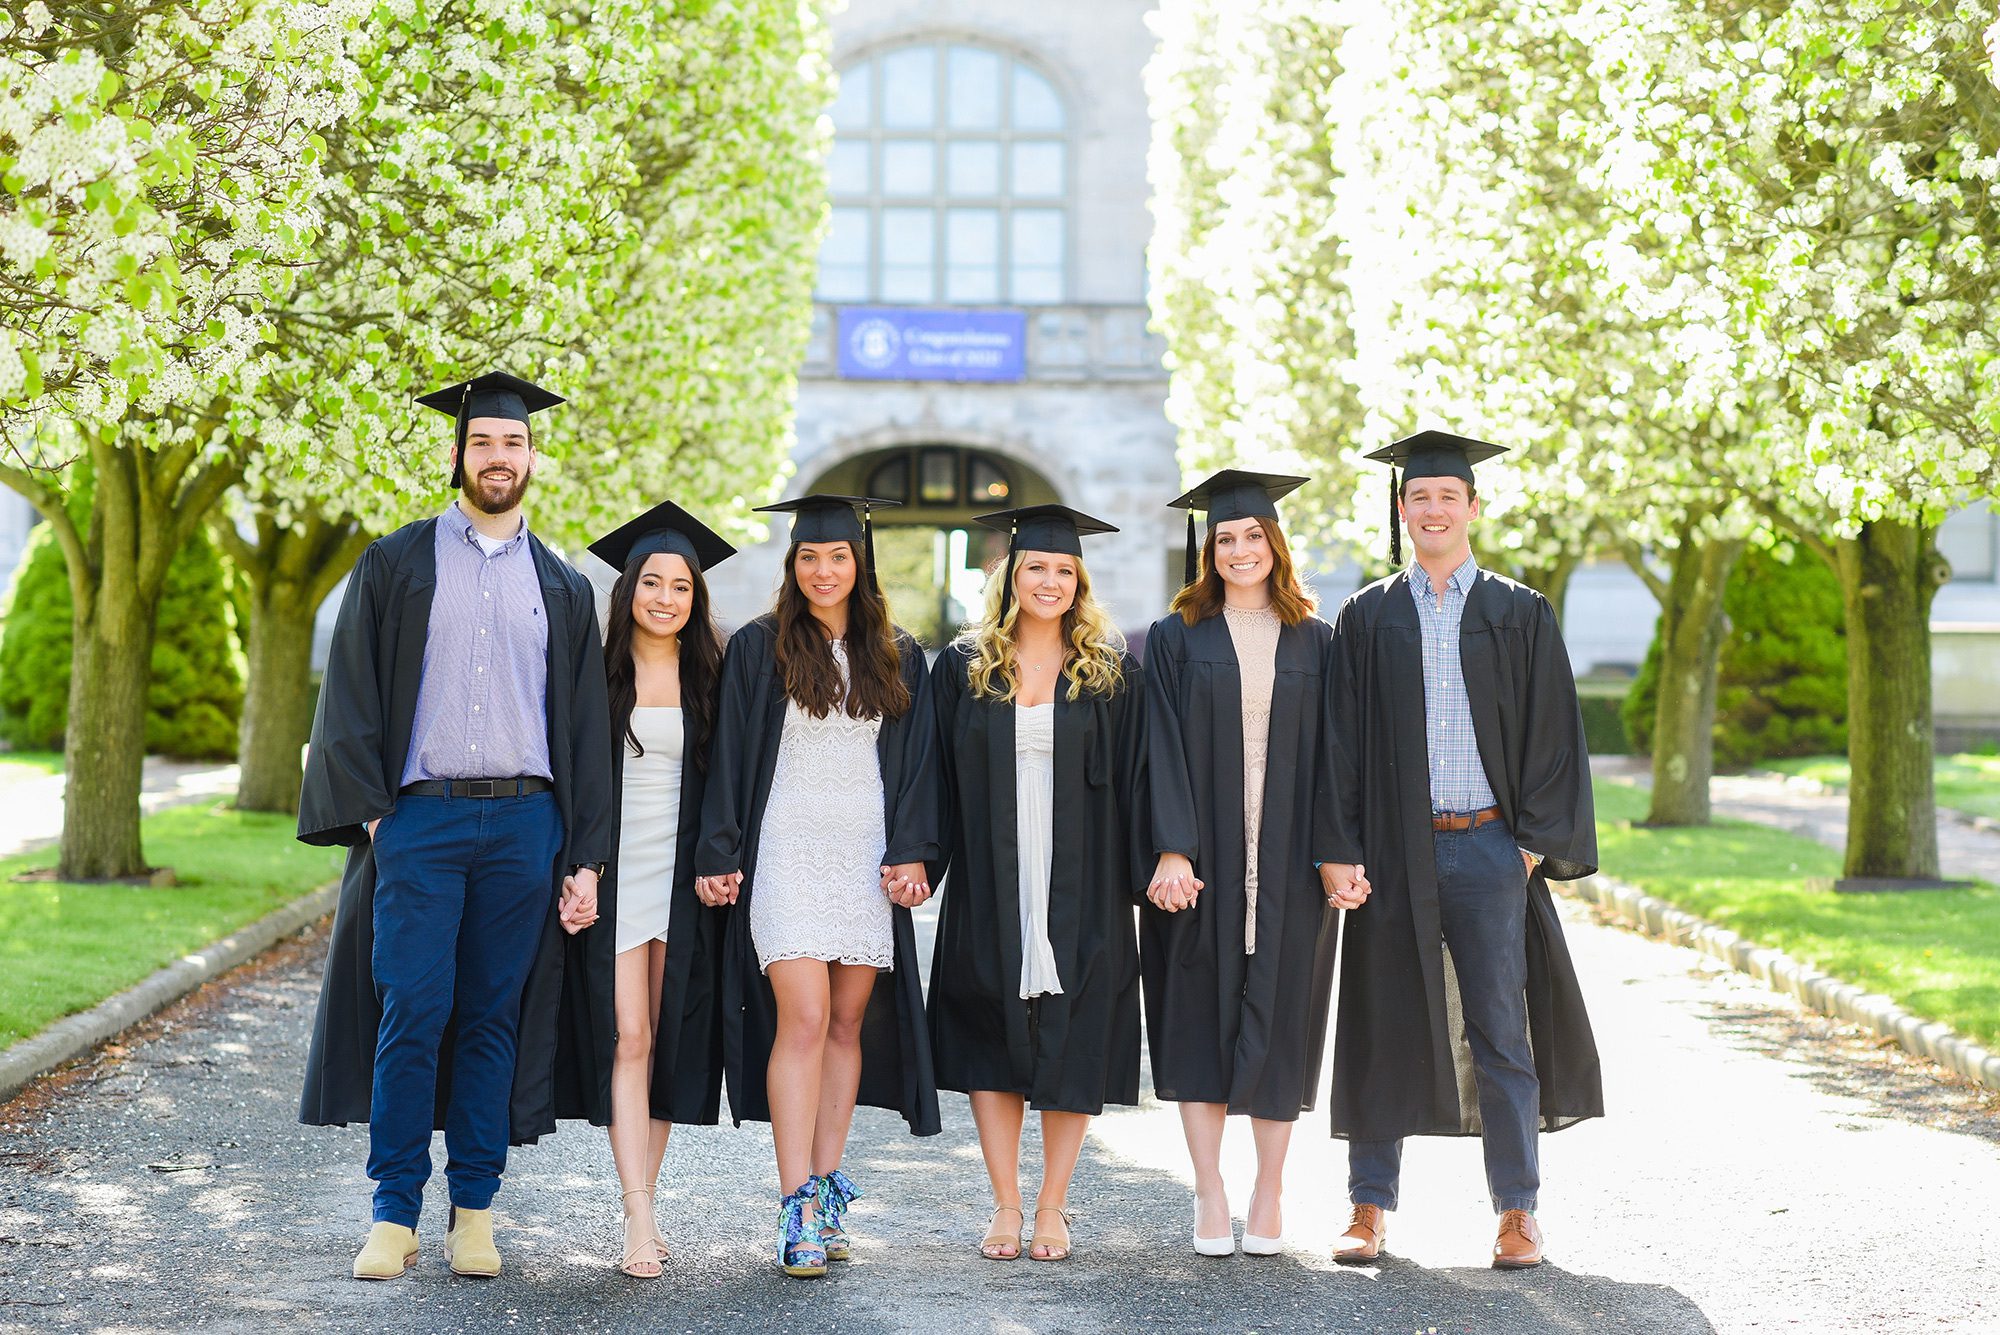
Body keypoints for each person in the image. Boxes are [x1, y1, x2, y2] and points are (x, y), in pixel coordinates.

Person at [297, 371, 616, 1281]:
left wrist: (583, 854)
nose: (499, 457)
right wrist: (372, 815)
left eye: (513, 444)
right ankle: (393, 1213)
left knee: (489, 1018)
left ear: (532, 457)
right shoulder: (397, 564)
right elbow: (350, 695)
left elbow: (585, 731)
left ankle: (473, 1210)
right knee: (413, 1010)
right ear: (457, 455)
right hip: (422, 822)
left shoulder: (561, 587)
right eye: (483, 443)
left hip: (524, 825)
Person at [1320, 430, 1601, 1271]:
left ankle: (1518, 1213)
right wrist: (1341, 848)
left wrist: (1524, 851)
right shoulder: (1367, 615)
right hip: (1393, 856)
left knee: (1500, 1032)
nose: (1433, 509)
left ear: (1474, 507)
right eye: (1418, 496)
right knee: (1380, 1022)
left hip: (1488, 849)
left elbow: (1556, 736)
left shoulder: (1520, 611)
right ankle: (1369, 1206)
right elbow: (1338, 746)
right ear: (1401, 509)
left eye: (1448, 495)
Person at [694, 494, 943, 1278]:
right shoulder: (762, 647)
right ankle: (795, 1198)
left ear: (859, 562)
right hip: (786, 851)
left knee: (846, 1022)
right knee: (801, 1016)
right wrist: (720, 849)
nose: (823, 570)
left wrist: (911, 853)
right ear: (793, 564)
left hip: (863, 855)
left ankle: (828, 1186)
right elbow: (731, 754)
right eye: (809, 557)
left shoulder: (896, 651)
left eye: (837, 556)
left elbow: (916, 768)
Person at [928, 505, 1149, 1264]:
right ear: (1010, 577)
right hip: (992, 871)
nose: (1050, 581)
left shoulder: (1111, 672)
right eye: (1035, 568)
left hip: (1082, 875)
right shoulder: (965, 667)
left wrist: (1168, 857)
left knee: (1074, 1029)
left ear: (1078, 581)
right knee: (992, 1021)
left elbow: (1144, 780)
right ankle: (1006, 1202)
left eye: (1063, 570)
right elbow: (931, 776)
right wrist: (917, 857)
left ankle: (1053, 1203)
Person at [1143, 470, 1341, 1258]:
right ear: (1208, 550)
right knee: (1197, 1016)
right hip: (1201, 860)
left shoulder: (1317, 640)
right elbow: (1157, 746)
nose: (1239, 550)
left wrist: (1336, 851)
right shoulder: (1176, 637)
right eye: (1225, 538)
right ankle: (1210, 1186)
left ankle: (1268, 1185)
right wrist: (1172, 846)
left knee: (1281, 1017)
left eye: (1252, 535)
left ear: (1275, 544)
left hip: (1290, 858)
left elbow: (1337, 757)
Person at [581, 500, 735, 1278]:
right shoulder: (594, 671)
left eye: (681, 585)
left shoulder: (715, 672)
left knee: (666, 1037)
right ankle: (638, 1215)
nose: (666, 597)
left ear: (695, 596)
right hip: (616, 869)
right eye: (653, 581)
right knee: (629, 1036)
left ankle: (647, 1198)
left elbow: (730, 781)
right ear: (629, 588)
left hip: (680, 877)